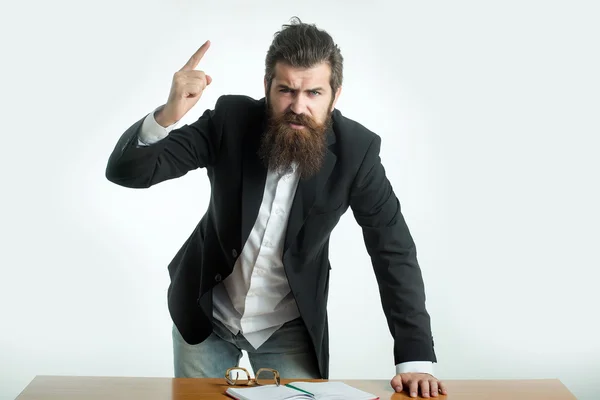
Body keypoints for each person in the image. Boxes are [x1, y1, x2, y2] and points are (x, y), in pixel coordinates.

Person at [105, 17, 447, 398]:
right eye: (286, 90)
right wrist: (167, 115)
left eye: (314, 93)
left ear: (336, 95)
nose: (298, 107)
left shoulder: (358, 152)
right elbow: (126, 172)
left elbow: (392, 249)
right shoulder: (229, 121)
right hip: (206, 319)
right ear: (266, 87)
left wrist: (415, 360)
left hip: (289, 326)